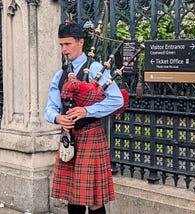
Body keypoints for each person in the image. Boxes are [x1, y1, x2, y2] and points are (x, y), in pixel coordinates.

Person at [44, 21, 124, 214]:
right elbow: (50, 106)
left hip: (90, 137)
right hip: (68, 138)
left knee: (94, 199)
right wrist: (56, 118)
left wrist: (87, 111)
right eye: (61, 45)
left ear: (81, 42)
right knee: (73, 195)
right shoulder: (61, 74)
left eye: (68, 44)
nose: (64, 49)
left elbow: (117, 100)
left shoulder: (96, 69)